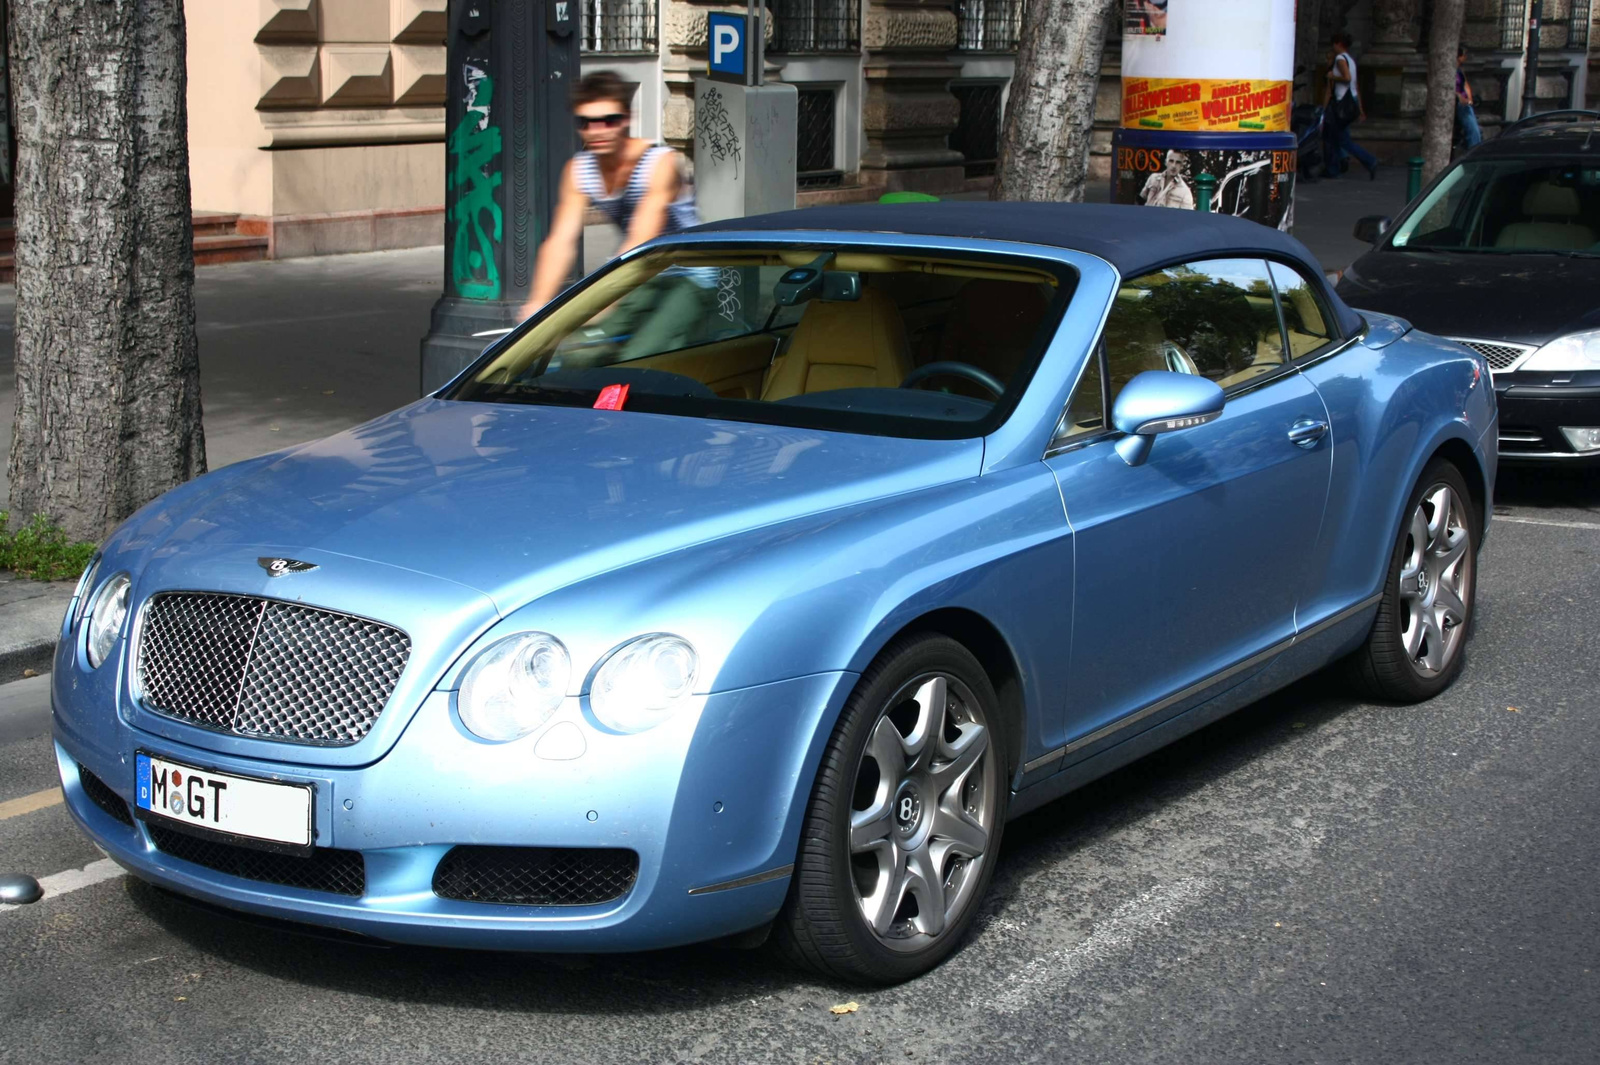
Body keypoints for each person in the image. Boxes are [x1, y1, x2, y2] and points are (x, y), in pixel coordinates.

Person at [520, 71, 712, 355]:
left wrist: (594, 305)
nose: (598, 131)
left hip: (688, 276)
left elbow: (640, 241)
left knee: (639, 357)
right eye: (586, 123)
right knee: (582, 354)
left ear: (627, 118)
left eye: (609, 120)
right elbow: (561, 242)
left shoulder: (659, 164)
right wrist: (536, 306)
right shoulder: (579, 170)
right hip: (642, 275)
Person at [1322, 33, 1378, 180]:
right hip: (1350, 102)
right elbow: (1356, 86)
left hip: (1340, 104)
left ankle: (1369, 160)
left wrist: (1332, 76)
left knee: (1340, 139)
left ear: (1338, 44)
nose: (1332, 47)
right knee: (1335, 136)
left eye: (1334, 43)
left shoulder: (1340, 59)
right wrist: (1360, 109)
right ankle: (1334, 167)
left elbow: (1347, 78)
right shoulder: (1350, 60)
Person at [1456, 44, 1483, 150]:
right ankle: (1473, 149)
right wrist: (1460, 98)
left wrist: (1470, 99)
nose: (1466, 58)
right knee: (1472, 129)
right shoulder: (1451, 71)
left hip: (1466, 104)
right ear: (1459, 56)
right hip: (1460, 104)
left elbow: (1465, 84)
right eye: (1464, 55)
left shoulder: (1460, 70)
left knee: (1476, 129)